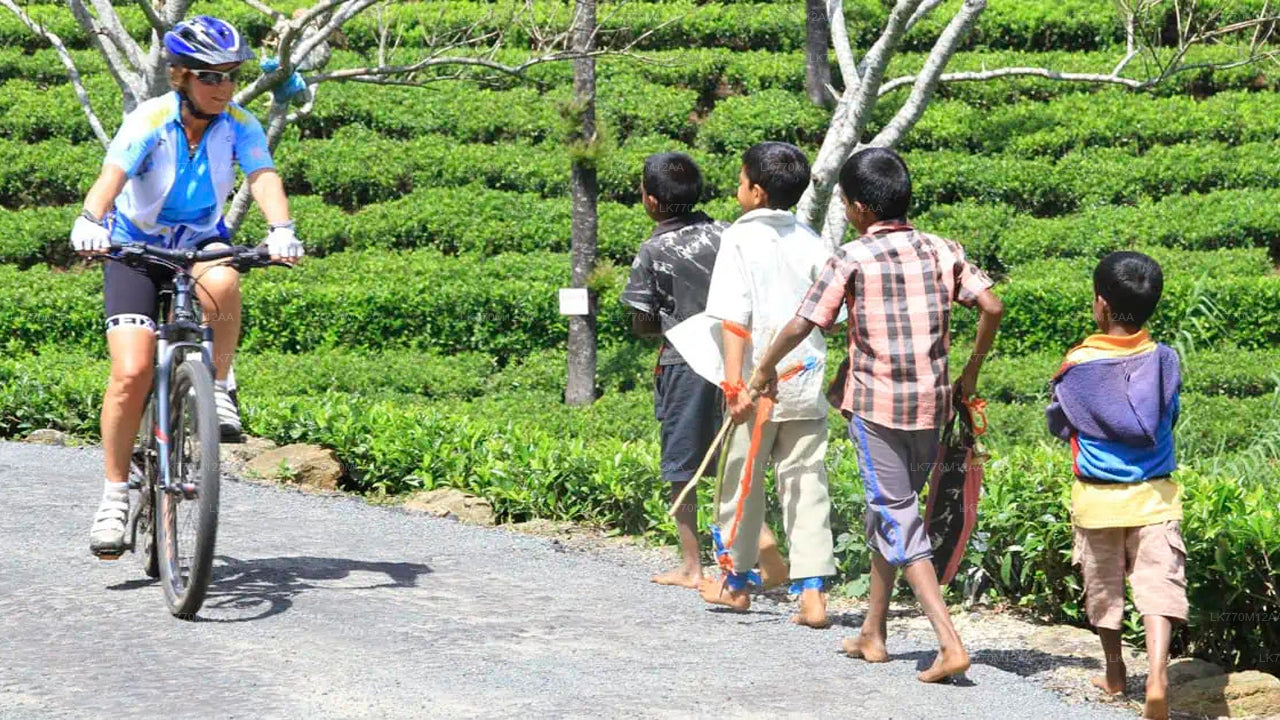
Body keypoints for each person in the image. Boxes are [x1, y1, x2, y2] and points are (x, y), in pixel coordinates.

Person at [749, 147, 1003, 681]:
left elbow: (803, 322)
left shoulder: (852, 257)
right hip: (932, 405)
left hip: (876, 408)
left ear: (860, 207)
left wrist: (764, 369)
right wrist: (972, 370)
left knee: (897, 515)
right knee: (892, 510)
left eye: (845, 202)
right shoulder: (943, 249)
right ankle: (873, 631)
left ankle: (949, 643)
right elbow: (991, 305)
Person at [72, 15, 304, 558]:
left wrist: (282, 229)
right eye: (211, 76)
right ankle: (114, 495)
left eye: (231, 76)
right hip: (135, 247)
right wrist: (90, 219)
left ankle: (217, 386)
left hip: (200, 241)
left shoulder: (240, 123)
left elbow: (262, 176)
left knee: (224, 279)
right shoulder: (150, 119)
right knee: (130, 373)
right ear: (181, 76)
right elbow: (112, 176)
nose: (224, 87)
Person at [621, 152, 787, 589]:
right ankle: (759, 544)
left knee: (683, 466)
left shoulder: (654, 249)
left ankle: (692, 566)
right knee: (736, 458)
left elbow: (642, 321)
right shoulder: (728, 233)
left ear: (651, 201)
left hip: (685, 363)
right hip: (742, 359)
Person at [700, 142, 836, 628]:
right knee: (806, 481)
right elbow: (833, 314)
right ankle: (813, 595)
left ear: (756, 192)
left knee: (741, 480)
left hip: (757, 384)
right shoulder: (811, 239)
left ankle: (736, 584)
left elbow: (734, 319)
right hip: (806, 377)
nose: (737, 188)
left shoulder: (739, 238)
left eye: (740, 181)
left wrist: (734, 385)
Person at [1047, 251, 1185, 720]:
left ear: (1101, 304)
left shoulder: (1076, 366)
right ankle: (1158, 677)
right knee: (1158, 586)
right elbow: (1171, 416)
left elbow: (1060, 423)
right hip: (1156, 496)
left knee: (1104, 587)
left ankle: (1114, 671)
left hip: (1097, 499)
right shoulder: (1164, 360)